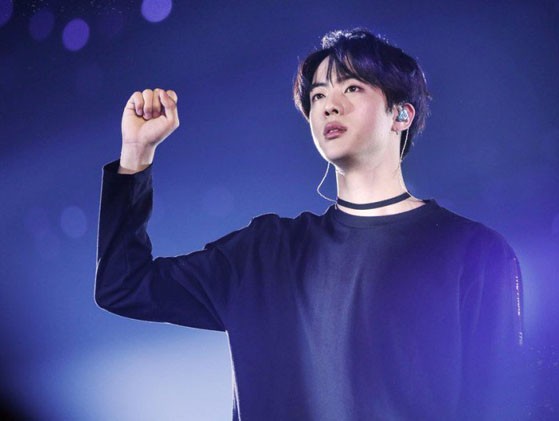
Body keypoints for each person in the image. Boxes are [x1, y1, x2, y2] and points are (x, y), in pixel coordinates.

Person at [95, 28, 525, 420]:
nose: (329, 105)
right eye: (318, 96)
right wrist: (136, 154)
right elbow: (123, 285)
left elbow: (499, 401)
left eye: (352, 87)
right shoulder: (263, 253)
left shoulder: (473, 251)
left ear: (401, 115)